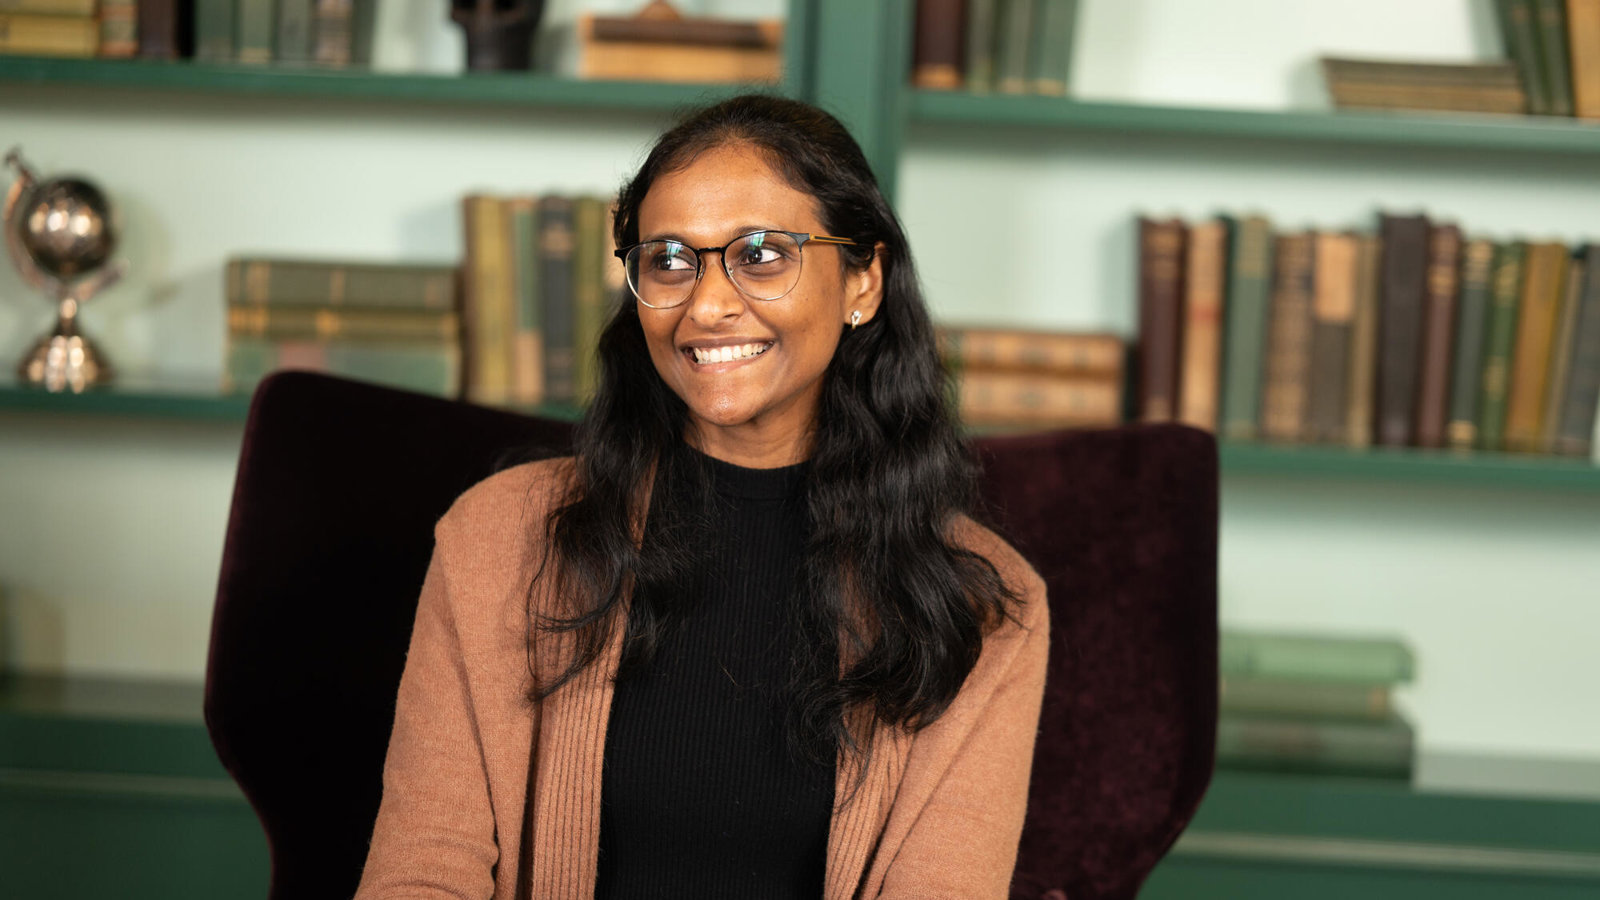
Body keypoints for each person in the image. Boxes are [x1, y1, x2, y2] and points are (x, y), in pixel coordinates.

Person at [355, 94, 1049, 900]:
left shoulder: (981, 605)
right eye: (670, 260)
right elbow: (421, 870)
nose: (707, 305)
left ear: (864, 279)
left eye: (761, 254)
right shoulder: (497, 538)